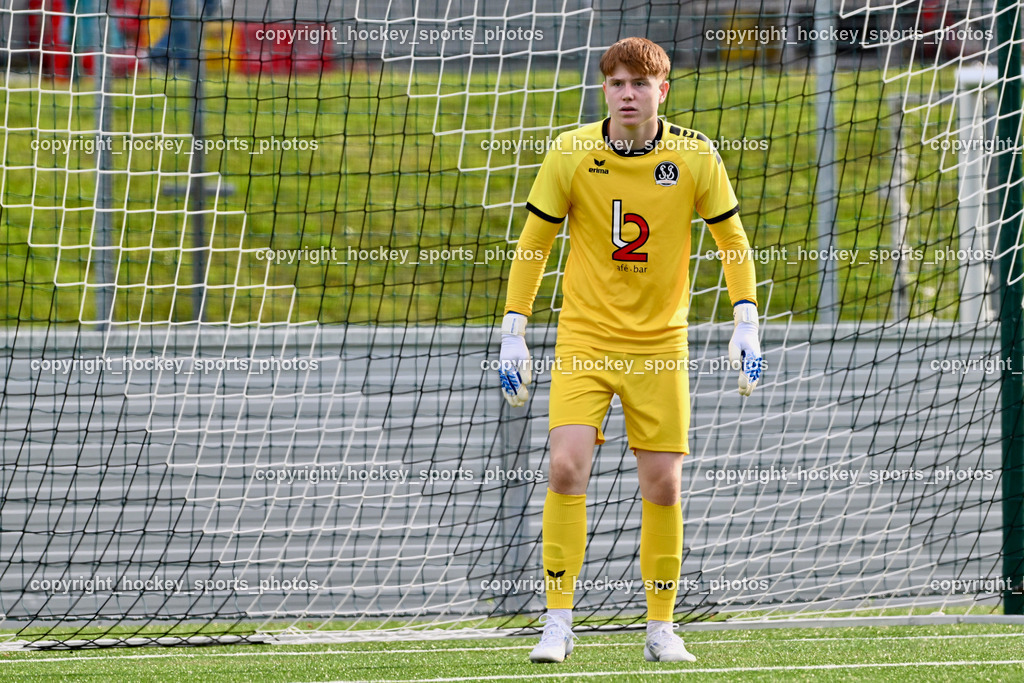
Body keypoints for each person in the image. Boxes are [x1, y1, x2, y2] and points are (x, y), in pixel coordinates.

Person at [497, 37, 763, 663]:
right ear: (604, 90)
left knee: (664, 486)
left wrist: (745, 320)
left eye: (640, 84)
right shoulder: (571, 152)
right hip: (585, 337)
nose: (627, 93)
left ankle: (661, 627)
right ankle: (558, 624)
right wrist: (514, 329)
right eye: (616, 82)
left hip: (661, 344)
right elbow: (533, 244)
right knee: (565, 467)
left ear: (661, 91)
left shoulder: (696, 156)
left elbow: (733, 242)